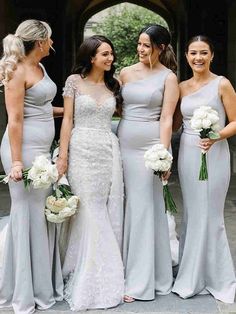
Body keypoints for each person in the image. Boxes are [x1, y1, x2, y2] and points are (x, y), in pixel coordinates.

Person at [56, 35, 124, 311]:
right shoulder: (74, 82)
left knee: (100, 207)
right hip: (81, 149)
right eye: (104, 54)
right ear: (91, 57)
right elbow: (68, 119)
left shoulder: (114, 85)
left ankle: (102, 270)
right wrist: (62, 156)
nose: (110, 58)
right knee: (85, 208)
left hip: (107, 151)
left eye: (111, 54)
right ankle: (79, 268)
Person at [0, 19, 63, 313]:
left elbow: (41, 107)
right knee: (25, 213)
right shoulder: (17, 71)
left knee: (40, 216)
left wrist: (76, 110)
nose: (52, 43)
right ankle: (22, 289)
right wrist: (15, 161)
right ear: (40, 42)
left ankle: (41, 283)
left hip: (42, 151)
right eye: (49, 39)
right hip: (22, 151)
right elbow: (15, 119)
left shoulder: (40, 68)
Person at [117, 24, 179, 302]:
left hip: (149, 147)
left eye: (146, 45)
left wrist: (164, 154)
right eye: (139, 44)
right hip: (123, 144)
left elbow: (167, 118)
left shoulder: (169, 78)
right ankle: (120, 267)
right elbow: (114, 106)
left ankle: (142, 280)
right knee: (125, 204)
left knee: (144, 208)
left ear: (161, 47)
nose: (141, 49)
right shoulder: (126, 72)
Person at [172, 35, 236, 303]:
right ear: (186, 56)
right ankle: (191, 273)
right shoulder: (181, 87)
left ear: (212, 56)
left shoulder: (222, 84)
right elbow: (173, 122)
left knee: (211, 213)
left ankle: (216, 275)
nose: (198, 58)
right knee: (193, 212)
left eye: (203, 53)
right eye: (193, 53)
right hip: (188, 152)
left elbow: (235, 121)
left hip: (215, 152)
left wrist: (216, 136)